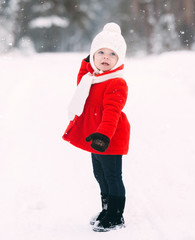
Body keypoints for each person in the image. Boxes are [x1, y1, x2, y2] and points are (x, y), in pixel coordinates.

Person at [62, 22, 130, 232]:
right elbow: (80, 81)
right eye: (100, 52)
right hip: (96, 137)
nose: (106, 57)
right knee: (99, 174)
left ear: (119, 59)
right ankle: (106, 209)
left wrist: (103, 136)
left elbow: (111, 114)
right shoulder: (91, 78)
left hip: (109, 137)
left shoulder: (116, 82)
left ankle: (116, 216)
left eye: (112, 54)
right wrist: (86, 63)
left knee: (112, 176)